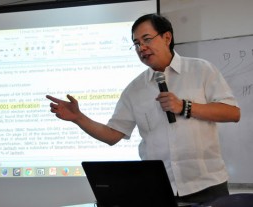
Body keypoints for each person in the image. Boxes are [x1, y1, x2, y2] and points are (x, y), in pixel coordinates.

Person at [46, 13, 240, 204]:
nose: (142, 48)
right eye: (137, 43)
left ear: (167, 37)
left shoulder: (201, 70)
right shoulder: (135, 89)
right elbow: (112, 135)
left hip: (207, 187)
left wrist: (185, 106)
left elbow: (232, 112)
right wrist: (79, 118)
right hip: (159, 189)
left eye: (146, 39)